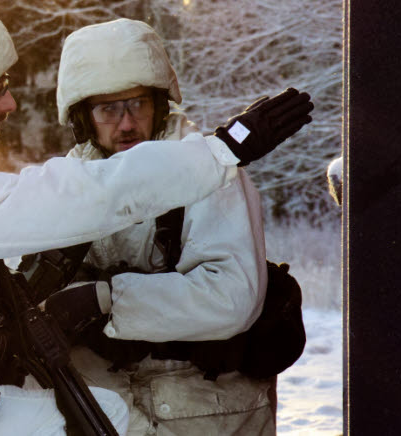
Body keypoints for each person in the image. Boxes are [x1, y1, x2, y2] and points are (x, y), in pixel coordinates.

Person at [0, 4, 312, 435]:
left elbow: (230, 297)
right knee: (94, 418)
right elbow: (86, 195)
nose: (11, 102)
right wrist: (222, 150)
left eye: (137, 104)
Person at [51, 18, 303, 435]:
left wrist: (105, 301)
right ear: (83, 118)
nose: (127, 123)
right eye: (108, 109)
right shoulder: (68, 185)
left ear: (160, 104)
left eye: (137, 105)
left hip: (206, 410)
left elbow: (230, 298)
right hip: (107, 408)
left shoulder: (211, 176)